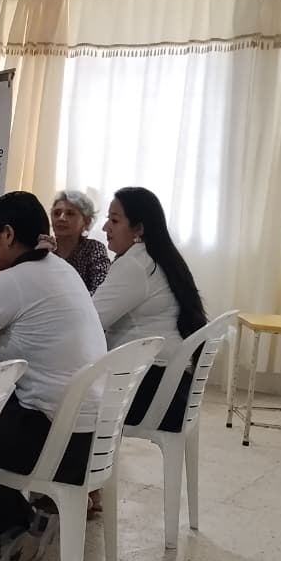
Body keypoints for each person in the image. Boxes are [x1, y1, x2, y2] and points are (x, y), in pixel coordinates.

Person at [0, 192, 108, 561]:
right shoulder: (61, 269)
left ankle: (15, 524)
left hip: (51, 440)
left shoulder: (10, 280)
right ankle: (22, 520)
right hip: (91, 439)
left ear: (8, 234)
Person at [93, 186, 207, 433]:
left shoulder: (134, 264)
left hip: (151, 392)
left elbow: (90, 321)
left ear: (139, 229)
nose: (105, 228)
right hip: (174, 389)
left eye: (114, 220)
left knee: (61, 398)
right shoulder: (157, 257)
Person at [51, 189, 111, 294]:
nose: (61, 218)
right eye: (56, 213)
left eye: (70, 214)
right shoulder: (44, 250)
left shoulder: (93, 249)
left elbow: (101, 291)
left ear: (86, 221)